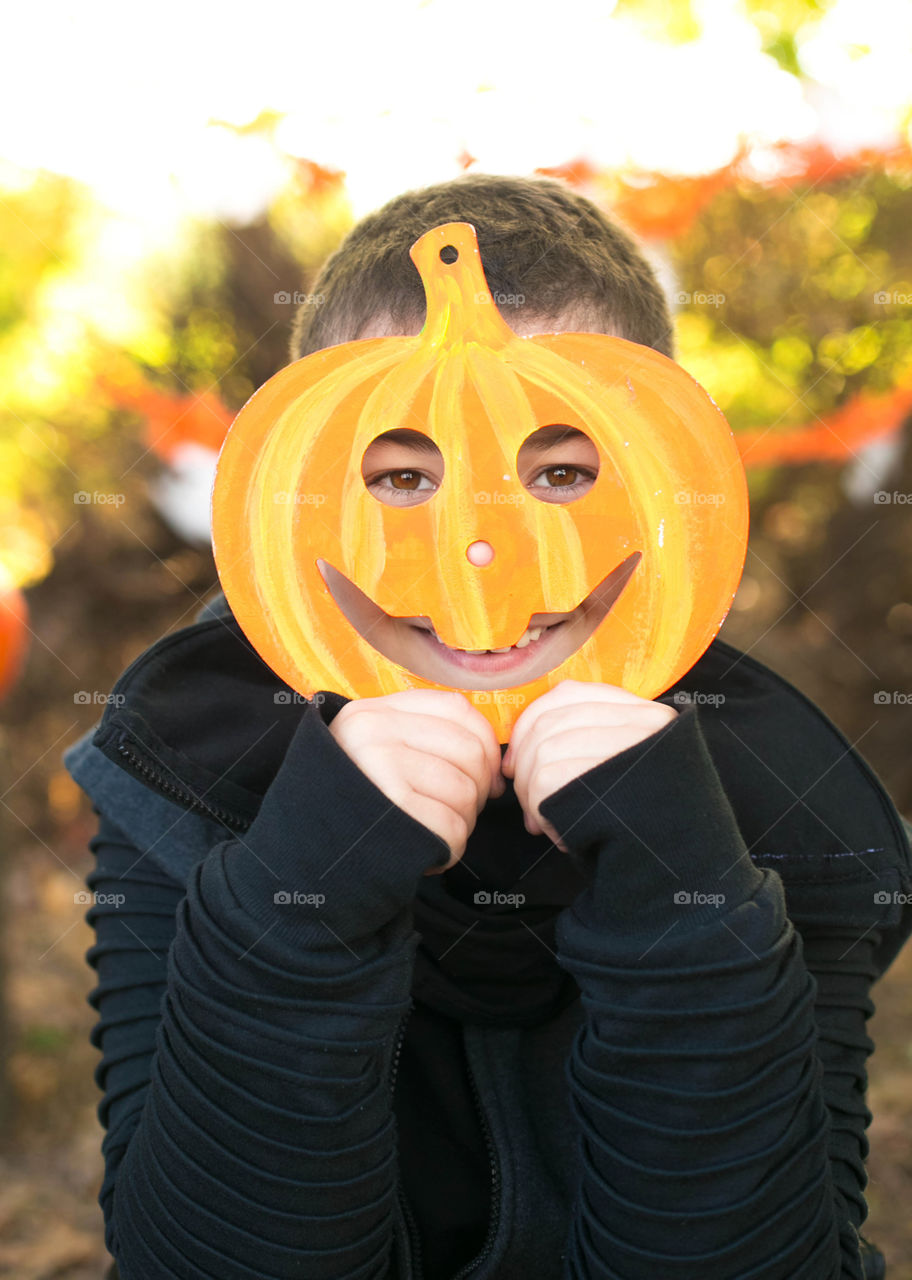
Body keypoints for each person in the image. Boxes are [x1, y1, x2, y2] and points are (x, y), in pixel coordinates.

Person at [64, 174, 910, 1280]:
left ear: (663, 474)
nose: (481, 551)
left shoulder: (788, 807)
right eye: (401, 477)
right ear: (302, 488)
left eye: (562, 473)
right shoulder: (179, 769)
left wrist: (689, 905)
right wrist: (296, 894)